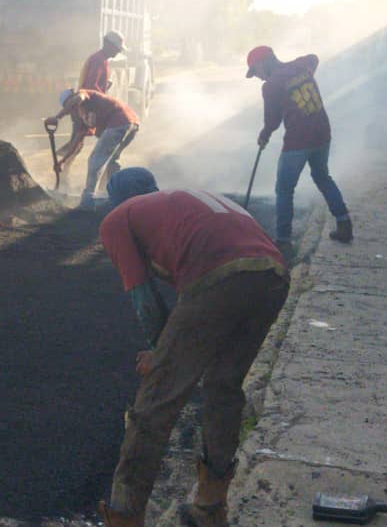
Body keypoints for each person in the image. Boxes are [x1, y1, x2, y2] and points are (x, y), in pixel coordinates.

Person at [96, 168, 290, 527]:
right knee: (223, 387)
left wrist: (159, 355)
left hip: (219, 275)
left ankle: (124, 516)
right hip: (273, 275)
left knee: (156, 402)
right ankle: (211, 505)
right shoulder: (179, 203)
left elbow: (145, 300)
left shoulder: (117, 218)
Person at [246, 45, 351, 257]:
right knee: (322, 177)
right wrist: (300, 75)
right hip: (322, 135)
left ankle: (283, 240)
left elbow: (272, 120)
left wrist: (264, 135)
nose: (257, 77)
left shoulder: (271, 86)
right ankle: (344, 223)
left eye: (255, 72)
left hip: (298, 142)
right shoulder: (302, 66)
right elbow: (314, 57)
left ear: (262, 63)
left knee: (284, 189)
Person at [45, 88, 139, 210]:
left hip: (119, 123)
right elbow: (77, 141)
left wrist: (57, 117)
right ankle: (116, 197)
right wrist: (62, 161)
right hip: (132, 125)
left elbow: (78, 99)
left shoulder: (83, 94)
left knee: (95, 160)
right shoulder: (83, 117)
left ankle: (87, 201)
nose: (71, 111)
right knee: (112, 161)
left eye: (70, 107)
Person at [80, 29, 125, 94]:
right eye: (117, 47)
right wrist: (105, 100)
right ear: (109, 45)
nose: (119, 51)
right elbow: (91, 86)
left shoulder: (101, 59)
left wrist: (104, 83)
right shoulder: (99, 60)